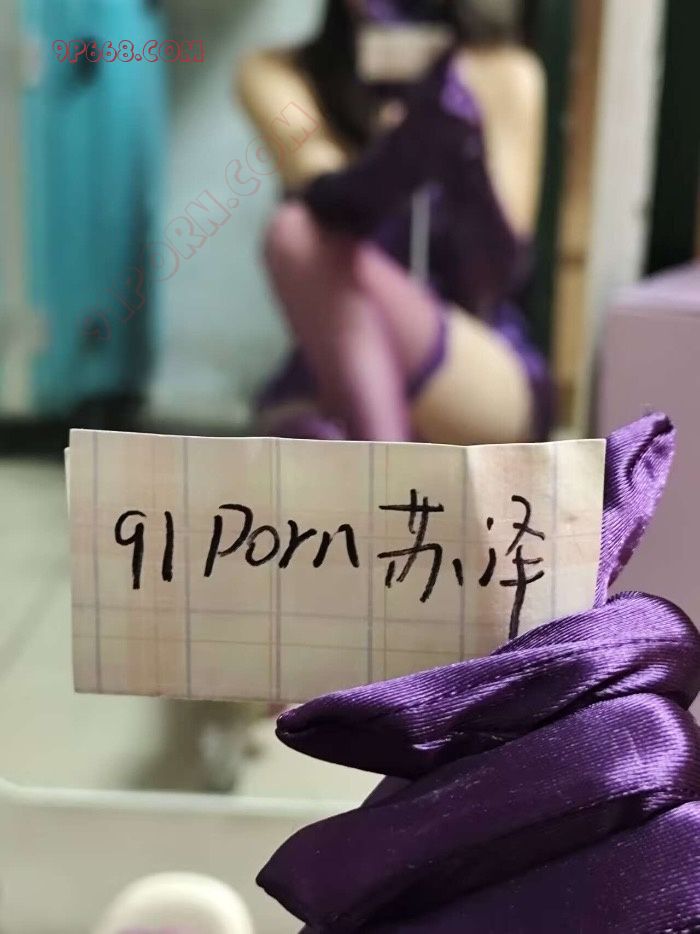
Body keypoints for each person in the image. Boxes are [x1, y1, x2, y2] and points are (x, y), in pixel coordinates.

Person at [238, 0, 551, 445]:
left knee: (294, 235)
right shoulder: (279, 73)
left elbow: (492, 279)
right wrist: (404, 151)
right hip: (343, 354)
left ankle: (377, 462)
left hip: (477, 360)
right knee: (297, 234)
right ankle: (380, 457)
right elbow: (332, 206)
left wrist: (463, 160)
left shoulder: (506, 72)